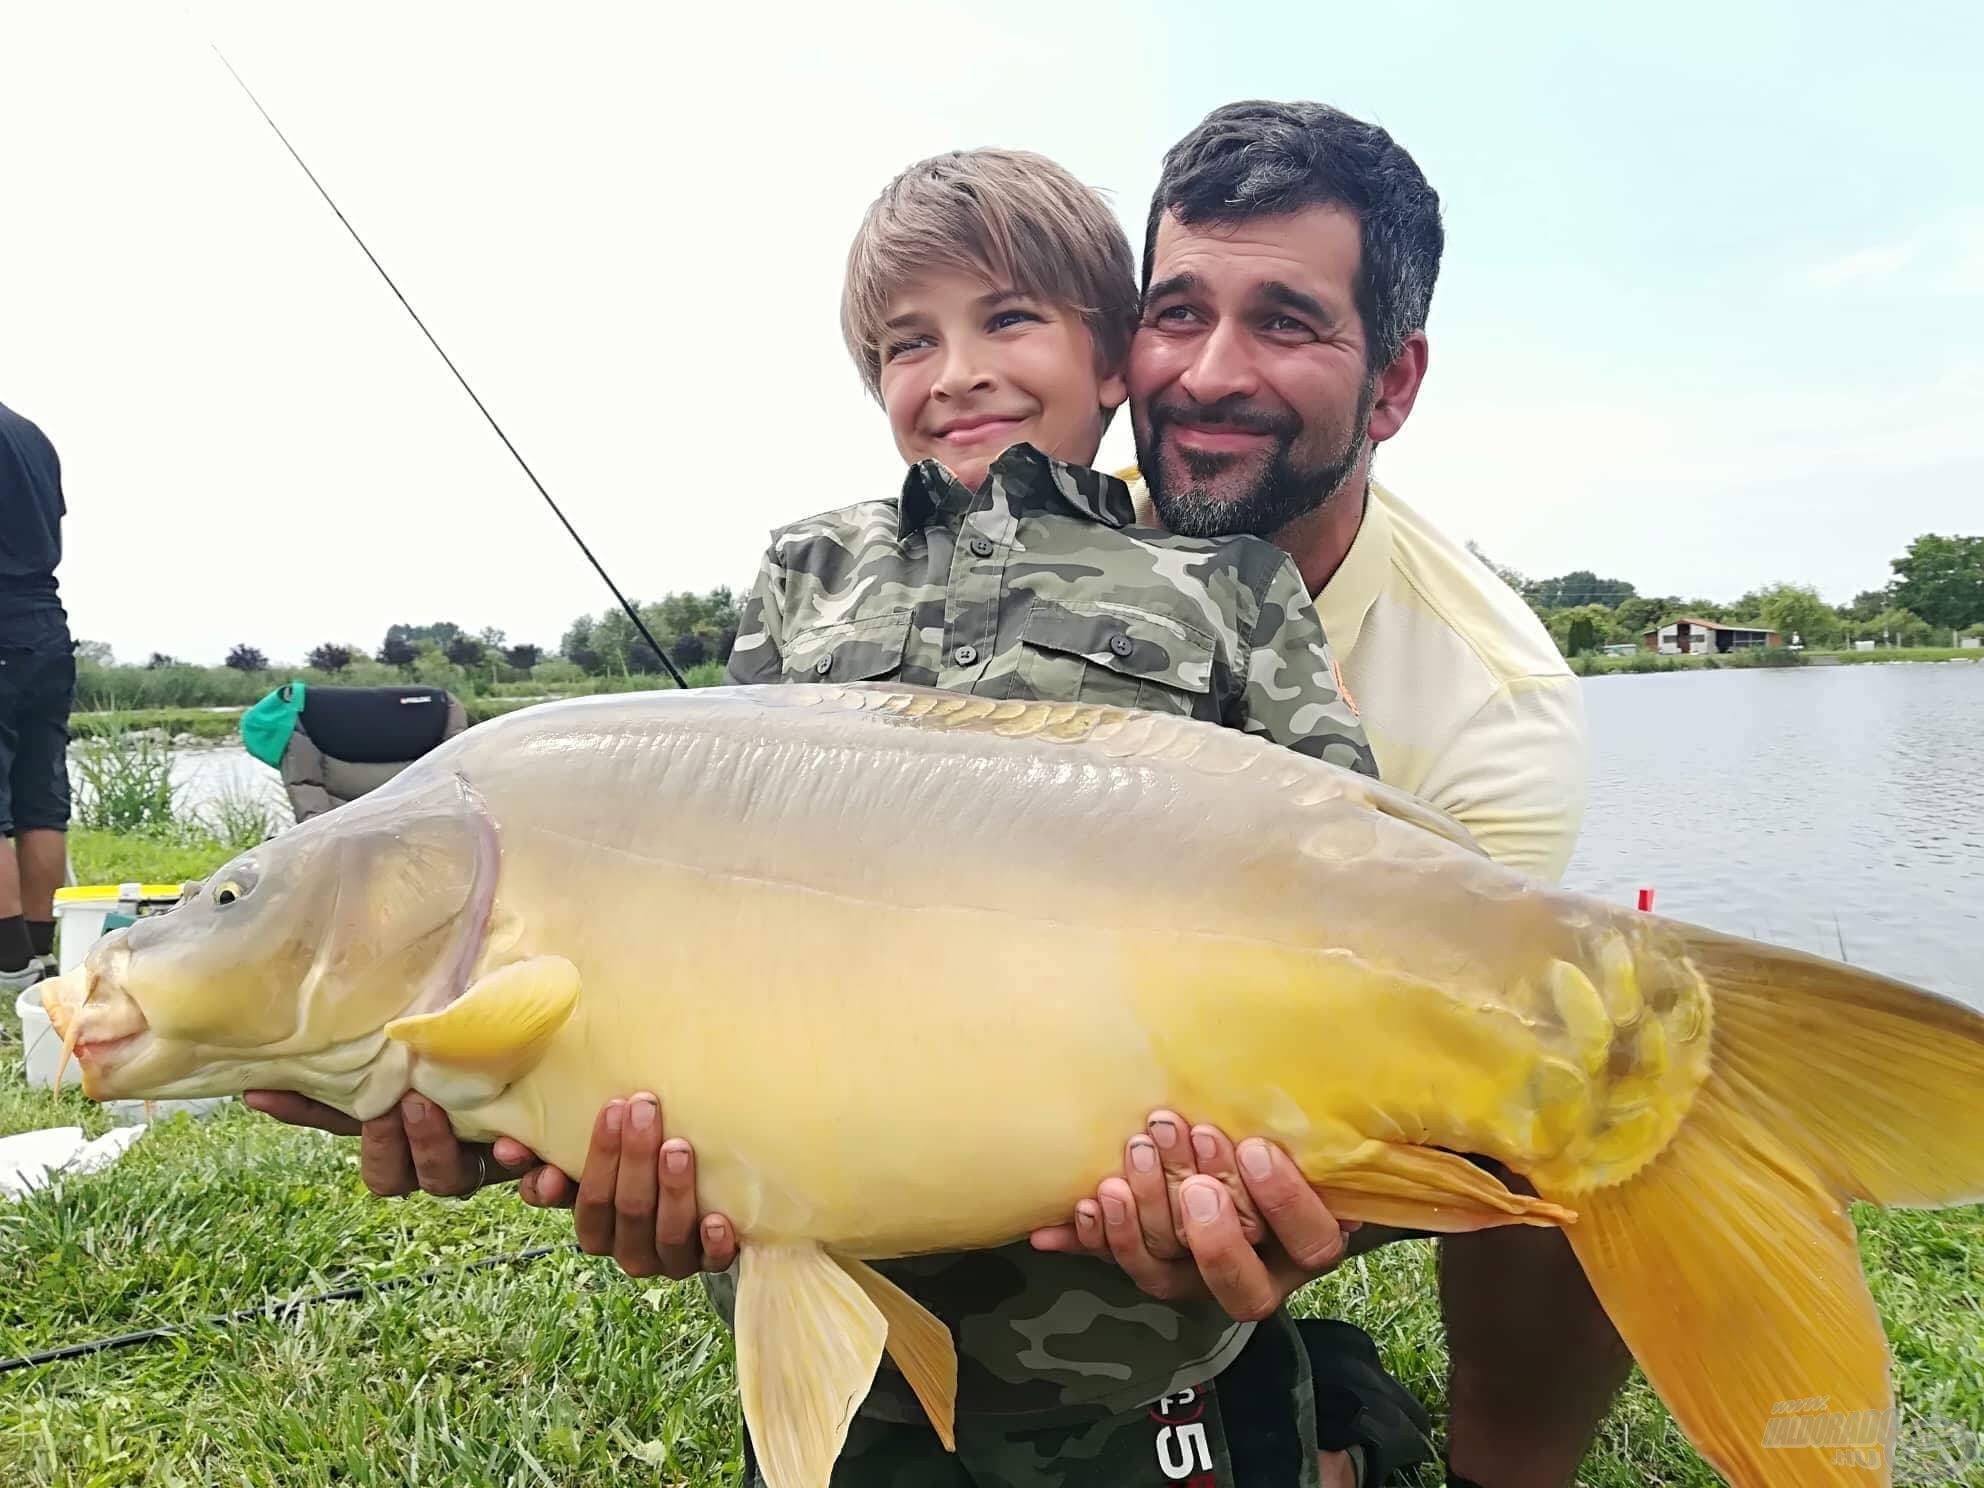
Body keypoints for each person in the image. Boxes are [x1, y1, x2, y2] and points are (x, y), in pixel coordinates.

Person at [250, 146, 1381, 1484]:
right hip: (827, 1309)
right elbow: (696, 890)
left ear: (1117, 358)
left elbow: (1351, 879)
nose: (956, 369)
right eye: (909, 342)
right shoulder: (805, 572)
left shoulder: (1227, 584)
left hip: (1141, 1338)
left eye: (1008, 319)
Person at [0, 399, 78, 996]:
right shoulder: (29, 434)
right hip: (47, 623)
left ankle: (6, 967)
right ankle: (38, 957)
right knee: (40, 800)